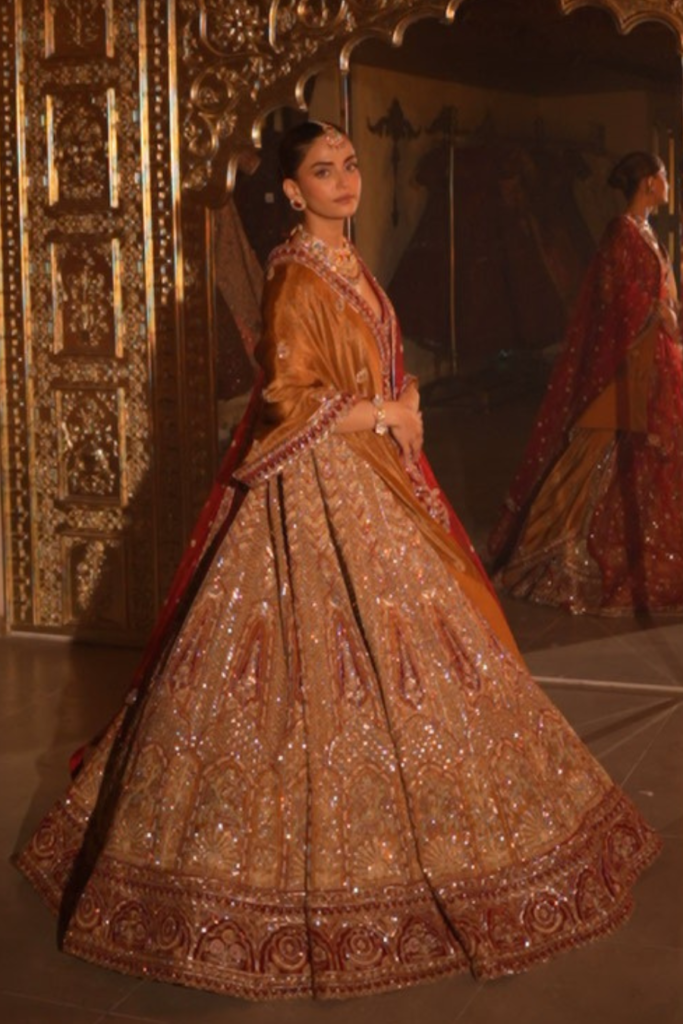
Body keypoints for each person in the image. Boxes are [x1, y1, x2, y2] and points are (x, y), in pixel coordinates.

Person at [16, 124, 660, 1000]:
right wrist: (385, 416)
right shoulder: (293, 275)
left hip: (374, 472)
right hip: (317, 485)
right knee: (307, 671)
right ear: (292, 190)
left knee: (423, 651)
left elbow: (375, 364)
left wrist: (404, 399)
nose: (345, 179)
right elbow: (287, 399)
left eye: (350, 164)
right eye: (323, 171)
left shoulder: (347, 262)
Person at [489, 151, 683, 615]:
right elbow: (612, 293)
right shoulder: (621, 231)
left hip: (654, 353)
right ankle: (555, 549)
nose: (668, 183)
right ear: (649, 182)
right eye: (663, 176)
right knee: (600, 449)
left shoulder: (647, 231)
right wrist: (654, 310)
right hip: (630, 357)